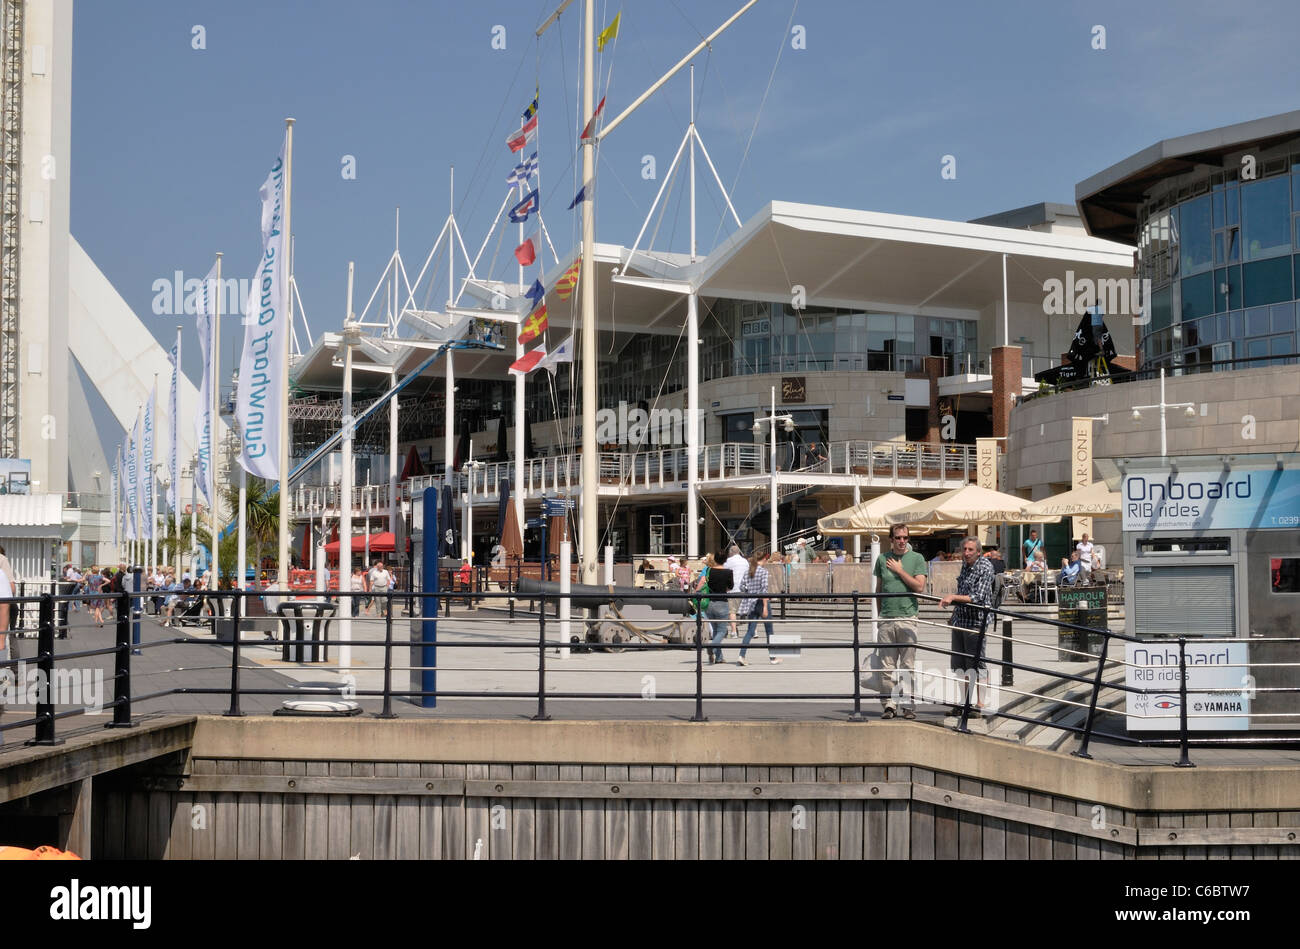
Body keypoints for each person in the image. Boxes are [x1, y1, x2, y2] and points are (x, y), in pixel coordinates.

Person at [872, 524, 927, 719]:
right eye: (898, 538)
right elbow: (878, 590)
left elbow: (919, 587)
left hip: (908, 618)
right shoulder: (881, 559)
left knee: (907, 666)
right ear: (891, 539)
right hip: (887, 619)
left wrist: (900, 570)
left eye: (905, 537)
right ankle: (889, 704)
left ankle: (908, 705)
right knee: (886, 666)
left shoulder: (917, 559)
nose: (902, 541)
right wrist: (880, 616)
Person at [939, 536, 995, 717]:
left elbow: (977, 597)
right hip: (961, 620)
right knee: (960, 664)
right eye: (964, 549)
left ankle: (979, 704)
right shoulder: (965, 565)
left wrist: (953, 597)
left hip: (976, 621)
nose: (966, 553)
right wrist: (954, 614)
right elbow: (964, 590)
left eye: (970, 550)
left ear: (978, 552)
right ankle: (964, 703)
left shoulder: (985, 567)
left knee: (977, 663)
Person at [737, 554, 778, 666]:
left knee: (750, 631)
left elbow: (741, 587)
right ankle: (773, 657)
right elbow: (764, 590)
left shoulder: (748, 571)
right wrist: (765, 607)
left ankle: (742, 655)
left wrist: (749, 592)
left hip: (751, 603)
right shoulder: (763, 572)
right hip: (761, 602)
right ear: (764, 559)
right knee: (769, 631)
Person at [703, 559, 733, 665]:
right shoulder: (728, 572)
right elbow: (730, 587)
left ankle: (719, 657)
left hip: (709, 603)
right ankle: (712, 647)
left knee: (715, 631)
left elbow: (703, 583)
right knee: (722, 631)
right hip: (722, 602)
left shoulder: (709, 571)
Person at [723, 544, 749, 638]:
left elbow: (723, 572)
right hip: (744, 588)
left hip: (733, 589)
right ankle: (753, 631)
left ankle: (734, 632)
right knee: (749, 611)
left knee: (732, 611)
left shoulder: (728, 561)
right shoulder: (745, 561)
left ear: (731, 552)